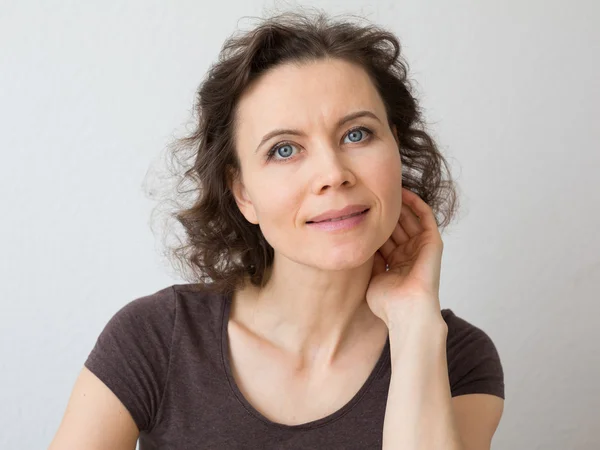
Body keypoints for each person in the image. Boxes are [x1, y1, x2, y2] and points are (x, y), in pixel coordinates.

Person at [49, 9, 504, 450]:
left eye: (357, 134)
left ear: (396, 148)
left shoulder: (455, 357)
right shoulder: (154, 337)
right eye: (284, 150)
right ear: (243, 192)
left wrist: (413, 324)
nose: (333, 173)